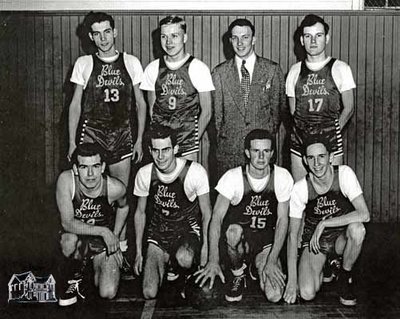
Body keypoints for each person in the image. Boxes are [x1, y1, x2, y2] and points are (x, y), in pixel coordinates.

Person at [67, 11, 147, 279]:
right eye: (96, 33)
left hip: (122, 136)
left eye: (106, 32)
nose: (102, 38)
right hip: (92, 137)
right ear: (90, 36)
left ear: (114, 32)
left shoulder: (131, 62)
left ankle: (119, 249)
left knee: (120, 196)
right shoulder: (84, 63)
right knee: (89, 195)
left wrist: (139, 139)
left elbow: (140, 104)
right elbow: (75, 105)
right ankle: (88, 253)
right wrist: (71, 142)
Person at [196, 129, 293, 303]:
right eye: (256, 151)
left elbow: (282, 221)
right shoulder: (232, 177)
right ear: (247, 152)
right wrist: (213, 259)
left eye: (266, 151)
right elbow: (216, 219)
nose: (261, 157)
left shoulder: (282, 177)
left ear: (272, 153)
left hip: (266, 244)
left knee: (275, 295)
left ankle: (257, 269)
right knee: (232, 232)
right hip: (240, 243)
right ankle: (237, 273)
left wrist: (272, 260)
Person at [284, 136, 370, 306]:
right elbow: (292, 235)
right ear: (305, 161)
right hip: (316, 242)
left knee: (357, 230)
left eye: (321, 156)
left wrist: (324, 223)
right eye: (311, 158)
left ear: (330, 157)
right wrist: (291, 281)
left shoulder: (344, 174)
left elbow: (364, 214)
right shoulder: (300, 188)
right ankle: (327, 266)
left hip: (340, 238)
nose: (317, 163)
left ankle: (344, 276)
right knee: (307, 293)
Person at [133, 125, 212, 300]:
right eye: (156, 150)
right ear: (150, 150)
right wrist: (139, 252)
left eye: (166, 150)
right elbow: (140, 213)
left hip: (187, 232)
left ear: (175, 149)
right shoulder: (144, 174)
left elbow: (207, 214)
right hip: (159, 233)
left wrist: (207, 249)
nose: (160, 156)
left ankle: (182, 271)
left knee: (184, 258)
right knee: (148, 292)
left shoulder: (195, 172)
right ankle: (169, 266)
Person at [56, 143, 129, 306]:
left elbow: (124, 207)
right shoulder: (66, 181)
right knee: (68, 241)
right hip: (76, 239)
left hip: (100, 244)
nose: (90, 174)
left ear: (103, 167)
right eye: (83, 167)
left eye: (95, 166)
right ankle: (73, 276)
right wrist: (104, 231)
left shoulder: (115, 187)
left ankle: (89, 271)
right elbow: (67, 223)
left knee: (108, 292)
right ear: (75, 169)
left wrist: (115, 237)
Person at [212, 18, 286, 178]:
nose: (240, 43)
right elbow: (217, 117)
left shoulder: (272, 70)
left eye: (245, 37)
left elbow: (278, 112)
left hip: (262, 152)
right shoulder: (219, 73)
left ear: (254, 39)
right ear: (230, 40)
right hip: (229, 151)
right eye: (235, 38)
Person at [286, 14, 356, 181]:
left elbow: (349, 107)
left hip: (330, 138)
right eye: (308, 36)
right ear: (302, 40)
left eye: (318, 35)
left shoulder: (341, 68)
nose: (313, 41)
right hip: (300, 140)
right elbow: (293, 110)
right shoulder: (295, 70)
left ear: (327, 38)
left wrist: (333, 130)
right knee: (300, 191)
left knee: (331, 192)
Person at [140, 15, 214, 161]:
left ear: (184, 37)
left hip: (187, 142)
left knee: (185, 182)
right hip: (161, 143)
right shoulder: (152, 68)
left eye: (174, 36)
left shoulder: (198, 67)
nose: (169, 42)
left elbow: (207, 111)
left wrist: (192, 140)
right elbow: (152, 110)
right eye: (164, 36)